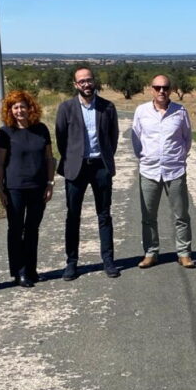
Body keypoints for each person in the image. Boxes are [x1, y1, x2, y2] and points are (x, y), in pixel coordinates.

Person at [55, 67, 120, 279]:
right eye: (81, 81)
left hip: (100, 166)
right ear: (76, 85)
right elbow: (61, 139)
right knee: (73, 216)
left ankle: (108, 261)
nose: (86, 84)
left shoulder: (107, 107)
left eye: (89, 80)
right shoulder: (66, 108)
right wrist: (72, 159)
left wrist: (106, 159)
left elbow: (113, 137)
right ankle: (71, 262)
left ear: (94, 82)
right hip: (76, 168)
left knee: (104, 215)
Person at [131, 74, 194, 269]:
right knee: (148, 216)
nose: (161, 91)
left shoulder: (180, 111)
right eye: (157, 87)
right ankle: (151, 252)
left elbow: (187, 138)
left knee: (181, 214)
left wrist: (179, 158)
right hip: (149, 171)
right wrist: (145, 157)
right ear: (151, 89)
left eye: (165, 88)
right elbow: (136, 138)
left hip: (174, 171)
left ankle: (183, 253)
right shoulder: (141, 111)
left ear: (170, 89)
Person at [0, 90, 55, 288]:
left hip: (38, 187)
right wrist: (1, 189)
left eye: (22, 106)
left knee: (32, 229)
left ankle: (31, 269)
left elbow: (49, 158)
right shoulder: (5, 133)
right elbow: (0, 164)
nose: (19, 110)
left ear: (30, 108)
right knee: (15, 230)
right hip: (15, 188)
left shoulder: (42, 130)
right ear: (10, 110)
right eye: (15, 107)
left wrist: (50, 183)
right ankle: (19, 272)